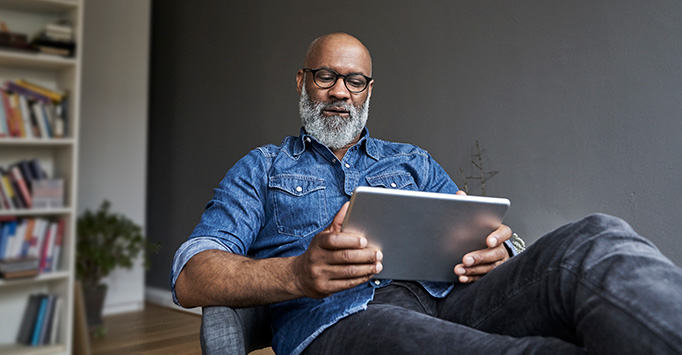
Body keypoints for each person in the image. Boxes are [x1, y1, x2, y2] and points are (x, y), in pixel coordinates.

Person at [171, 33, 682, 355]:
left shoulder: (411, 160)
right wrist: (298, 274)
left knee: (596, 239)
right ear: (302, 81)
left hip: (452, 299)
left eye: (354, 80)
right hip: (342, 320)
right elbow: (191, 276)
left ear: (369, 90)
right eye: (326, 76)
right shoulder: (262, 167)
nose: (340, 91)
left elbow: (478, 227)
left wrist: (501, 249)